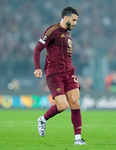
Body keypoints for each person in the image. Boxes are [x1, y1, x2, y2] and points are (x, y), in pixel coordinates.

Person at [33, 7, 86, 145]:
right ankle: (43, 119)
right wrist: (37, 68)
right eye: (74, 20)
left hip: (69, 73)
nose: (75, 23)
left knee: (75, 102)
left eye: (76, 20)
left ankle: (78, 139)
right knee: (62, 106)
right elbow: (37, 48)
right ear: (66, 18)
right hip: (54, 75)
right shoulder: (52, 31)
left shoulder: (68, 34)